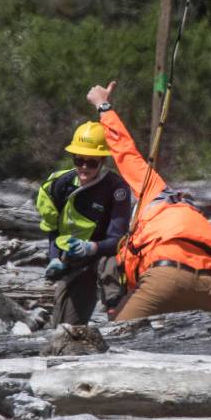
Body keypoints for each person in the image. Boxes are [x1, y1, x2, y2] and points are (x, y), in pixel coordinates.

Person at [86, 81, 211, 321]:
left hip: (167, 278)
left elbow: (125, 150)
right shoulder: (193, 217)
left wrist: (104, 106)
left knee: (118, 340)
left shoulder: (153, 190)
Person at [35, 120, 130, 327]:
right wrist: (54, 259)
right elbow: (53, 229)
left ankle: (119, 320)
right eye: (79, 160)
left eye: (92, 162)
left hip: (103, 257)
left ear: (103, 160)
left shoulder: (117, 188)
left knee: (110, 263)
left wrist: (92, 247)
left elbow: (118, 240)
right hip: (73, 260)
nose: (84, 167)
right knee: (65, 327)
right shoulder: (59, 185)